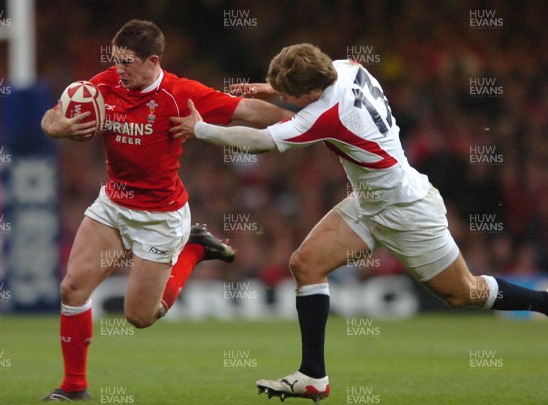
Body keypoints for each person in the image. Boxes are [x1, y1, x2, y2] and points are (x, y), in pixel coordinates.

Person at [170, 43, 548, 403]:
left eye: (291, 93)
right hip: (370, 202)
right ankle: (313, 376)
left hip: (406, 209)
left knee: (463, 293)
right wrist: (274, 89)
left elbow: (260, 143)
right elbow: (308, 92)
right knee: (306, 264)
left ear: (310, 91)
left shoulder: (326, 115)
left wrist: (200, 129)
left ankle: (544, 302)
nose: (287, 99)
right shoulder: (346, 67)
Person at [40, 20, 292, 401]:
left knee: (139, 317)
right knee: (72, 287)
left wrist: (296, 122)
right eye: (115, 60)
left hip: (159, 218)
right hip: (113, 204)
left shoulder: (179, 93)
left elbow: (245, 111)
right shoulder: (105, 83)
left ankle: (194, 250)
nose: (118, 69)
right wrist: (57, 127)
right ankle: (74, 387)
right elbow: (50, 116)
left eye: (126, 62)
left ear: (152, 60)